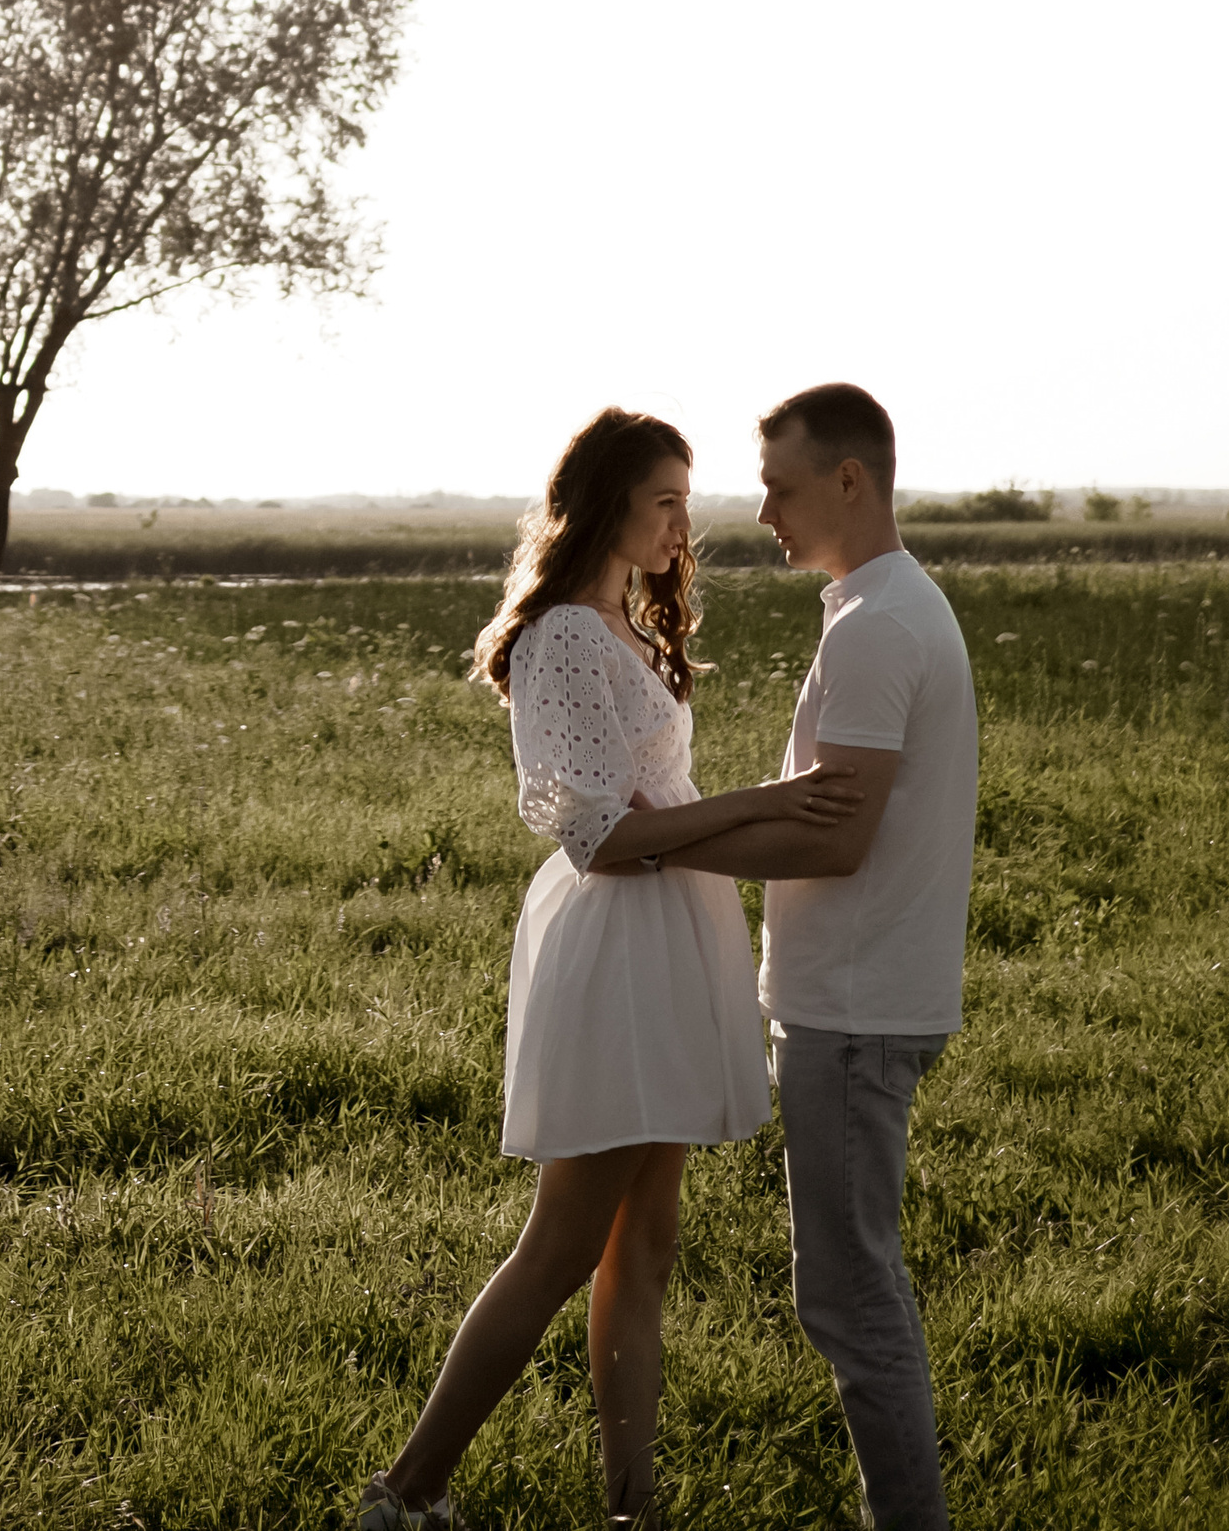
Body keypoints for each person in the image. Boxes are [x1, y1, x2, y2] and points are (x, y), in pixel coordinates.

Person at [356, 408, 865, 1531]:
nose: (686, 523)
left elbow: (659, 804)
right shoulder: (563, 639)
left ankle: (633, 1507)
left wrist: (755, 819)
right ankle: (404, 1494)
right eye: (665, 500)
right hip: (618, 944)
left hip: (671, 936)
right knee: (562, 1243)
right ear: (606, 504)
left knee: (648, 1243)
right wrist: (770, 801)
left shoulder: (627, 625)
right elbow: (598, 835)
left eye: (686, 498)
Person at [653, 385, 978, 1531]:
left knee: (849, 1298)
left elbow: (833, 838)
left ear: (849, 479)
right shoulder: (881, 606)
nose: (761, 512)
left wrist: (657, 842)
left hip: (854, 1006)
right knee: (854, 1287)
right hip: (862, 997)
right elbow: (822, 810)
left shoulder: (879, 624)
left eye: (778, 487)